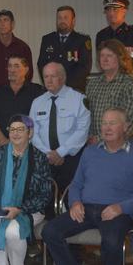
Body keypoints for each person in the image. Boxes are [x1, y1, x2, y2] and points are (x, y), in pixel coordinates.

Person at [42, 108, 133, 265]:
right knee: (50, 231)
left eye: (112, 123)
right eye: (104, 123)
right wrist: (75, 202)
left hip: (117, 213)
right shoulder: (90, 152)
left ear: (125, 127)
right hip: (85, 208)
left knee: (110, 241)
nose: (106, 127)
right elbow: (76, 184)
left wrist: (120, 208)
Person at [0, 114, 51, 265]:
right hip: (0, 209)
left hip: (29, 209)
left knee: (13, 231)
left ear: (30, 133)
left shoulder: (39, 158)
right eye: (12, 129)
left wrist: (20, 209)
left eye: (21, 129)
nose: (16, 133)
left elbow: (45, 194)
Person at [29, 62, 90, 201]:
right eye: (45, 77)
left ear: (62, 78)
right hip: (45, 159)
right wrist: (49, 154)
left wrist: (60, 152)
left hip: (71, 160)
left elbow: (82, 131)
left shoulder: (79, 99)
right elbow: (33, 132)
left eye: (53, 76)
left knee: (73, 202)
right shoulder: (37, 102)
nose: (49, 80)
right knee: (47, 203)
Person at [85, 39, 133, 148]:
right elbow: (86, 115)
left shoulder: (130, 84)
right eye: (102, 55)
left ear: (120, 58)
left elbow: (130, 122)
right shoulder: (93, 84)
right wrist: (89, 137)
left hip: (126, 144)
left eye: (110, 55)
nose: (105, 59)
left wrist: (101, 138)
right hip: (97, 146)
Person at [0, 55, 45, 148]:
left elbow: (42, 122)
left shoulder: (37, 91)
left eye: (16, 66)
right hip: (3, 147)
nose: (12, 70)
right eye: (10, 66)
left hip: (29, 147)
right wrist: (4, 141)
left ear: (26, 70)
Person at [37, 6, 92, 93]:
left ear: (73, 21)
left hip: (73, 91)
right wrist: (51, 83)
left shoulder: (82, 40)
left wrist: (62, 86)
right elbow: (41, 64)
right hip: (51, 91)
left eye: (66, 17)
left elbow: (84, 67)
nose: (62, 21)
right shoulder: (47, 39)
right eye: (59, 18)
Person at [0, 10, 33, 92]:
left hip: (19, 93)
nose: (2, 24)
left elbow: (28, 74)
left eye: (5, 20)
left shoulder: (23, 47)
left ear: (12, 24)